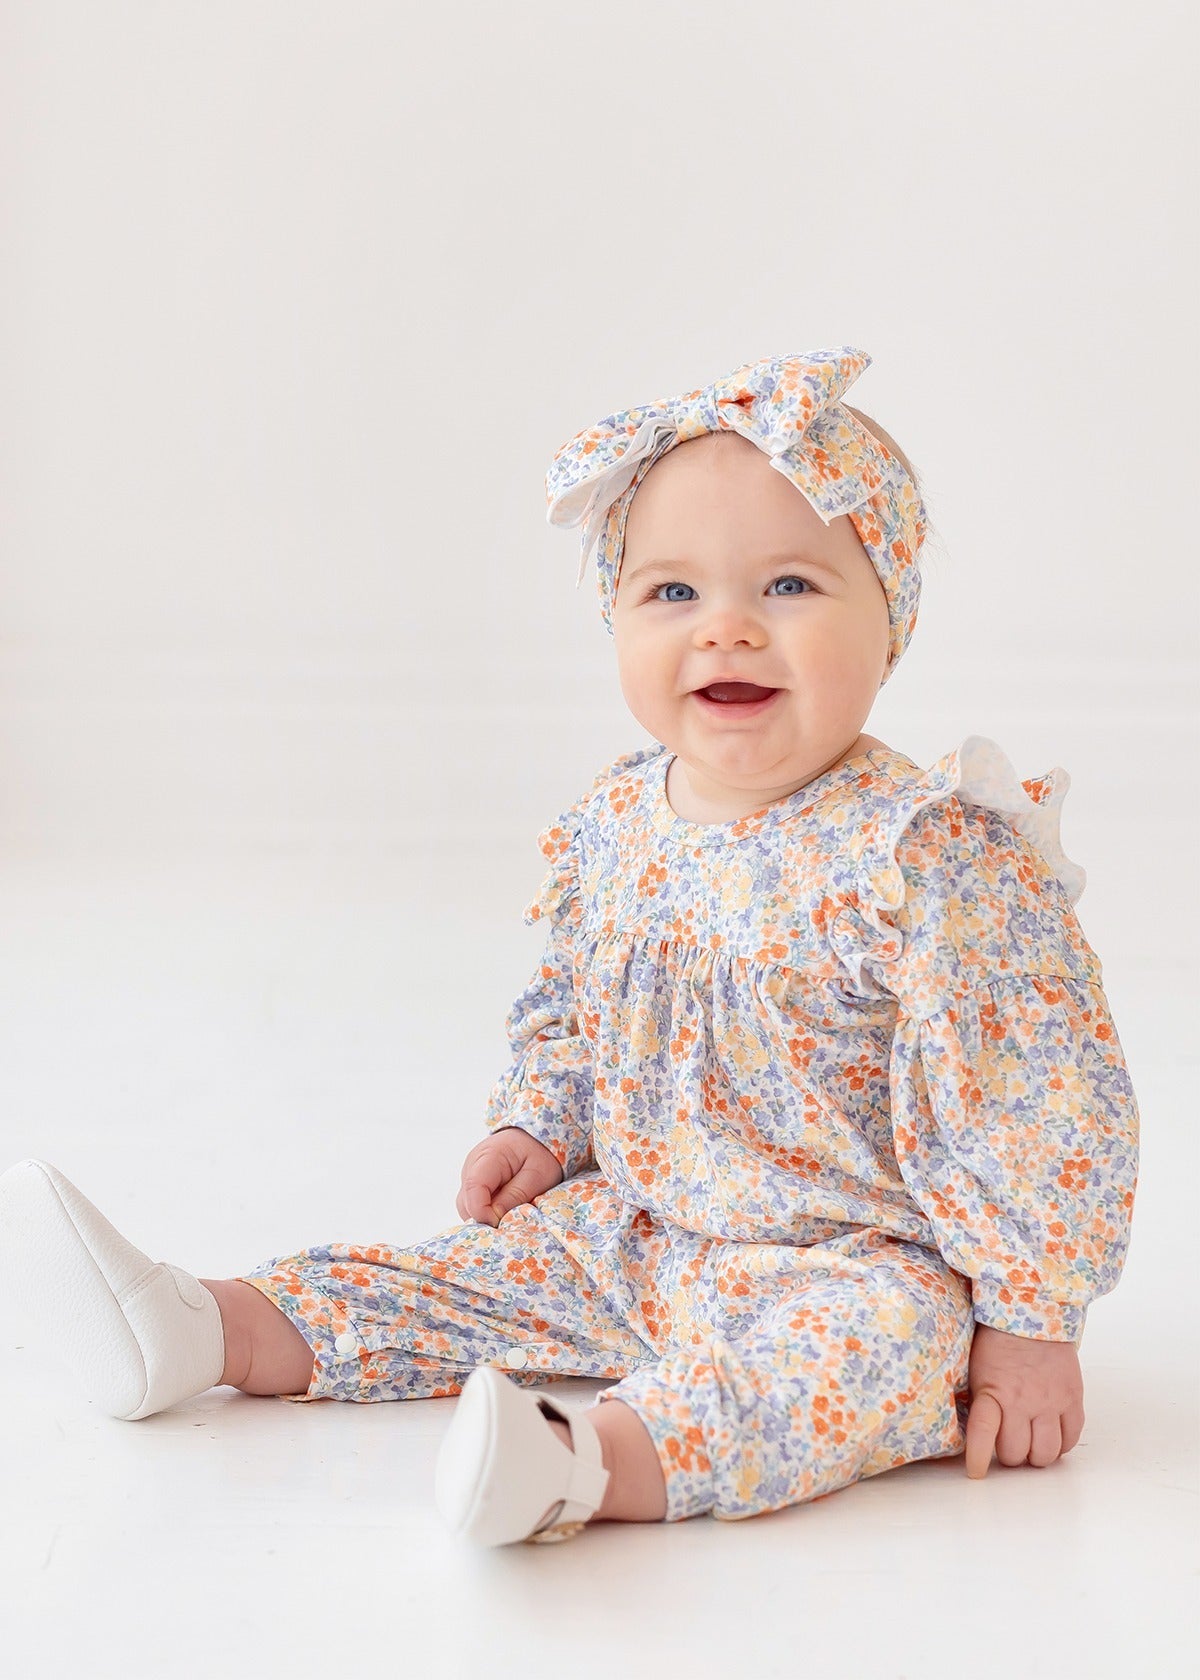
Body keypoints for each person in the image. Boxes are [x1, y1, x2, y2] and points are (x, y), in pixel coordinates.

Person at [0, 348, 1140, 1548]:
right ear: (615, 612)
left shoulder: (924, 854)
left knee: (868, 1359)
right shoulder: (620, 820)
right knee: (472, 1274)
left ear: (891, 615)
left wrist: (1031, 1318)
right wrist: (541, 1124)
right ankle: (207, 1327)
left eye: (792, 585)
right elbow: (575, 1005)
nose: (729, 628)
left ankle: (578, 1462)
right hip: (638, 1229)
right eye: (673, 592)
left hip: (853, 1260)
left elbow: (1034, 1096)